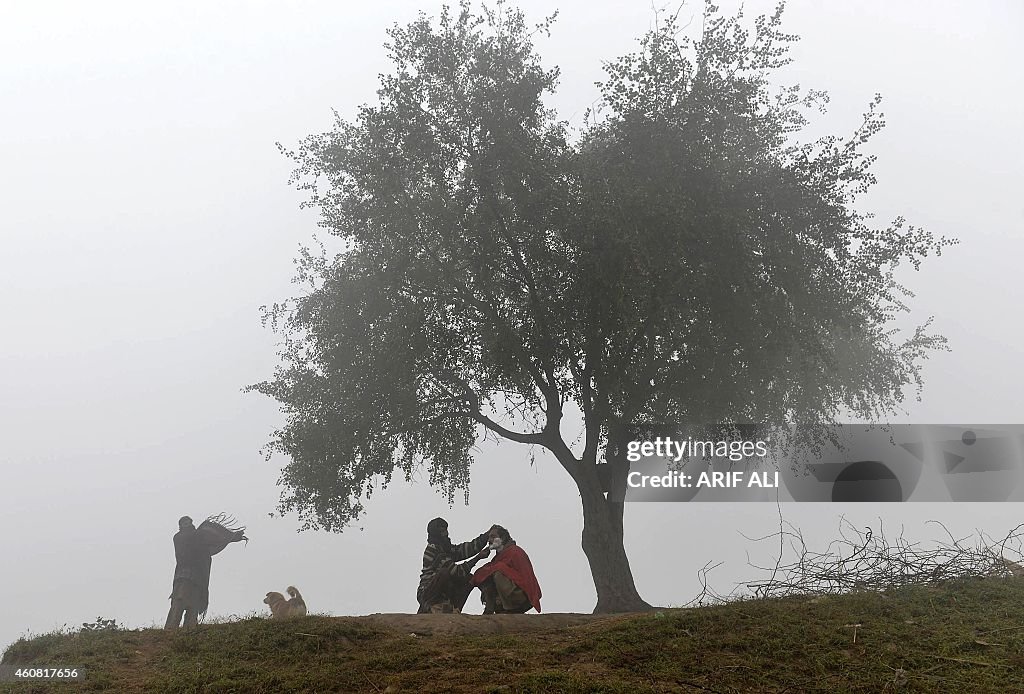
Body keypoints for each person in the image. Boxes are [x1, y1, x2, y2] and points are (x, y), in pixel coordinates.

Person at [165, 514, 247, 629]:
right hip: (184, 575)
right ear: (180, 526)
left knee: (194, 605)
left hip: (198, 577)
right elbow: (197, 540)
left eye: (189, 522)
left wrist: (232, 537)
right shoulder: (179, 537)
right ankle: (170, 631)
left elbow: (212, 540)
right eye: (184, 523)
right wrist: (230, 537)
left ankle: (189, 633)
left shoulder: (198, 535)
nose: (188, 524)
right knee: (179, 602)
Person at [416, 517, 491, 614]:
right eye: (442, 531)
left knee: (469, 579)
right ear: (436, 533)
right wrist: (478, 557)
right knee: (445, 573)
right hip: (427, 593)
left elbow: (465, 550)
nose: (446, 534)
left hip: (443, 594)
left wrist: (486, 536)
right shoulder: (433, 549)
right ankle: (431, 606)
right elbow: (457, 571)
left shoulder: (445, 549)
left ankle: (455, 609)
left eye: (446, 530)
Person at [471, 525, 542, 614]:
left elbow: (526, 580)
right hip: (510, 595)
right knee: (487, 573)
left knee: (497, 571)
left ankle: (505, 604)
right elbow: (481, 574)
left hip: (522, 596)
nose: (489, 540)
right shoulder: (499, 557)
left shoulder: (515, 552)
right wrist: (479, 558)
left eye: (493, 537)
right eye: (489, 537)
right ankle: (493, 606)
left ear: (503, 538)